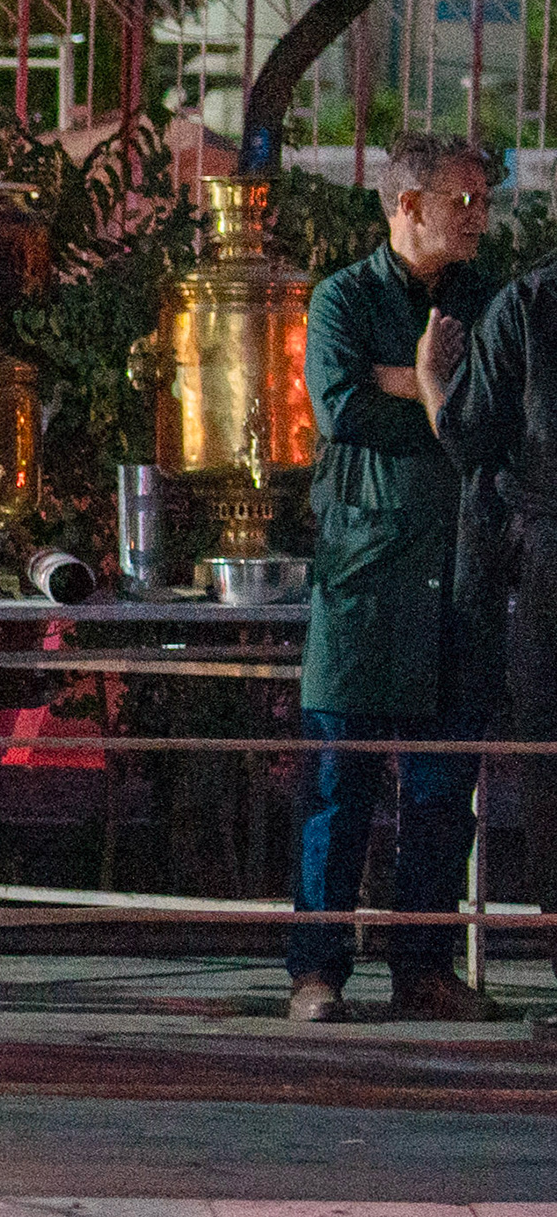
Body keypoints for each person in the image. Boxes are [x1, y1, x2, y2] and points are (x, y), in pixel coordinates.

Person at [289, 131, 505, 1024]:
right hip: (366, 573)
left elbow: (496, 406)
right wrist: (428, 382)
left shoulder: (485, 298)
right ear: (407, 205)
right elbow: (340, 404)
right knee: (340, 785)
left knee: (441, 789)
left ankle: (422, 966)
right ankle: (316, 971)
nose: (479, 217)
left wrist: (417, 388)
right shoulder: (344, 295)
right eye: (463, 201)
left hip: (458, 568)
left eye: (484, 201)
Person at [440, 190, 557, 1039]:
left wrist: (437, 383)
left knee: (554, 767)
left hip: (548, 560)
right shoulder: (527, 304)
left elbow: (475, 438)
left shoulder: (530, 302)